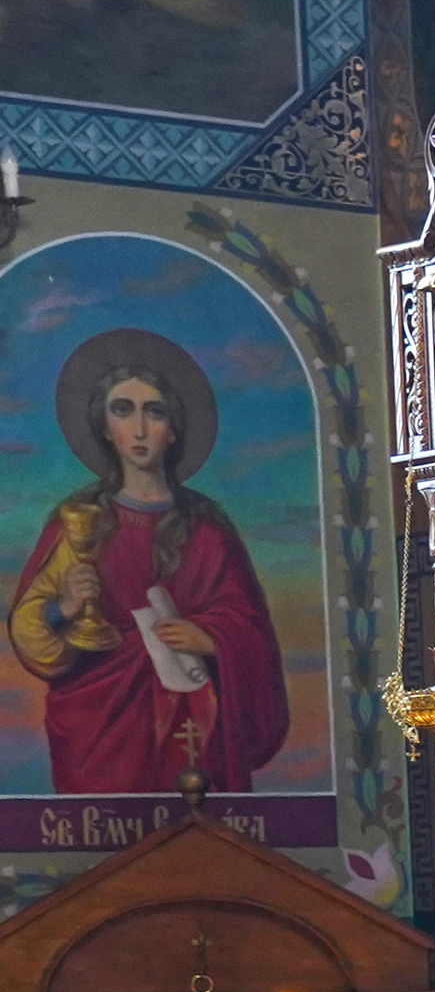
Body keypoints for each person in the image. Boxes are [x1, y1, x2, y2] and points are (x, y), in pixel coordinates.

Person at [10, 332, 288, 795]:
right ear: (104, 426)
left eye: (153, 412)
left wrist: (210, 636)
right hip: (99, 734)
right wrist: (63, 608)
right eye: (123, 410)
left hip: (196, 717)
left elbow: (251, 627)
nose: (139, 430)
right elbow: (29, 628)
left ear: (173, 428)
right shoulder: (79, 522)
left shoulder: (207, 526)